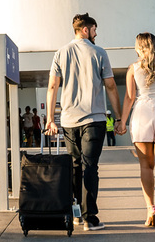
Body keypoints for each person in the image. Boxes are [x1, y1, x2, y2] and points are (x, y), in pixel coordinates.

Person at [46, 13, 121, 232]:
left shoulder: (60, 53)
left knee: (75, 166)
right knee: (90, 167)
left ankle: (77, 213)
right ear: (85, 29)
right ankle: (90, 218)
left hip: (69, 121)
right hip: (94, 119)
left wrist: (51, 119)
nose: (96, 33)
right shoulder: (99, 53)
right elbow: (110, 86)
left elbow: (52, 87)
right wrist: (118, 118)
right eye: (95, 29)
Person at [116, 32, 155, 231]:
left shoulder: (133, 69)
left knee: (146, 167)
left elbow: (129, 97)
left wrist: (122, 122)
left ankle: (151, 211)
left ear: (139, 48)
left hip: (142, 116)